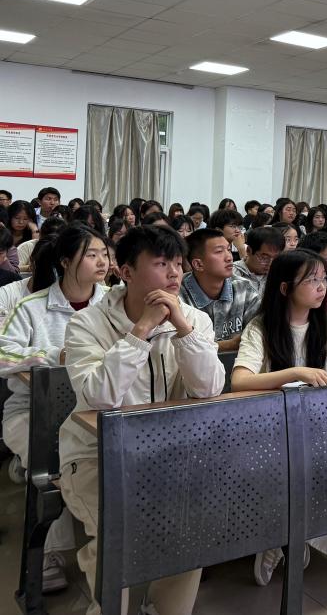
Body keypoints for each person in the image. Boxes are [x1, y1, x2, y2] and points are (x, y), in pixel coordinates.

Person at [58, 224, 224, 615]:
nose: (174, 273)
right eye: (162, 263)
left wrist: (182, 329)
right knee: (119, 531)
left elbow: (209, 388)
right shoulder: (87, 324)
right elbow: (100, 397)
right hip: (96, 455)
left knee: (193, 527)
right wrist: (142, 330)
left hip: (172, 455)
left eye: (178, 264)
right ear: (127, 271)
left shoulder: (194, 319)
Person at [231, 249, 327, 585]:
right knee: (288, 472)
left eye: (324, 279)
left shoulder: (326, 324)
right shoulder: (262, 327)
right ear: (285, 288)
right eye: (312, 280)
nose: (322, 286)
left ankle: (298, 537)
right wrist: (296, 372)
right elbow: (240, 380)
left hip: (317, 427)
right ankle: (279, 538)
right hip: (271, 429)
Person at [0, 225, 109, 591]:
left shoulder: (113, 303)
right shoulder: (32, 306)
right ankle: (51, 553)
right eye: (91, 254)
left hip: (91, 410)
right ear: (65, 261)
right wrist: (51, 356)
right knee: (55, 458)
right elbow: (2, 353)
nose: (102, 262)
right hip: (33, 411)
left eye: (104, 254)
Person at [179, 229, 262, 351]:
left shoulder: (243, 287)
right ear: (198, 264)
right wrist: (229, 345)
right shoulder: (178, 295)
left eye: (228, 250)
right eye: (219, 252)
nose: (229, 257)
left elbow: (259, 334)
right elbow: (178, 349)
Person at [235, 226, 284, 292]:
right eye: (265, 257)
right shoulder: (231, 275)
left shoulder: (279, 275)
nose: (270, 263)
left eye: (276, 258)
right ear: (249, 250)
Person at [7, 200, 38, 270]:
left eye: (25, 219)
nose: (21, 222)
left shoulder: (34, 234)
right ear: (9, 217)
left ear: (31, 220)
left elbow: (35, 258)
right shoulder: (3, 234)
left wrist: (34, 231)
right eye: (17, 218)